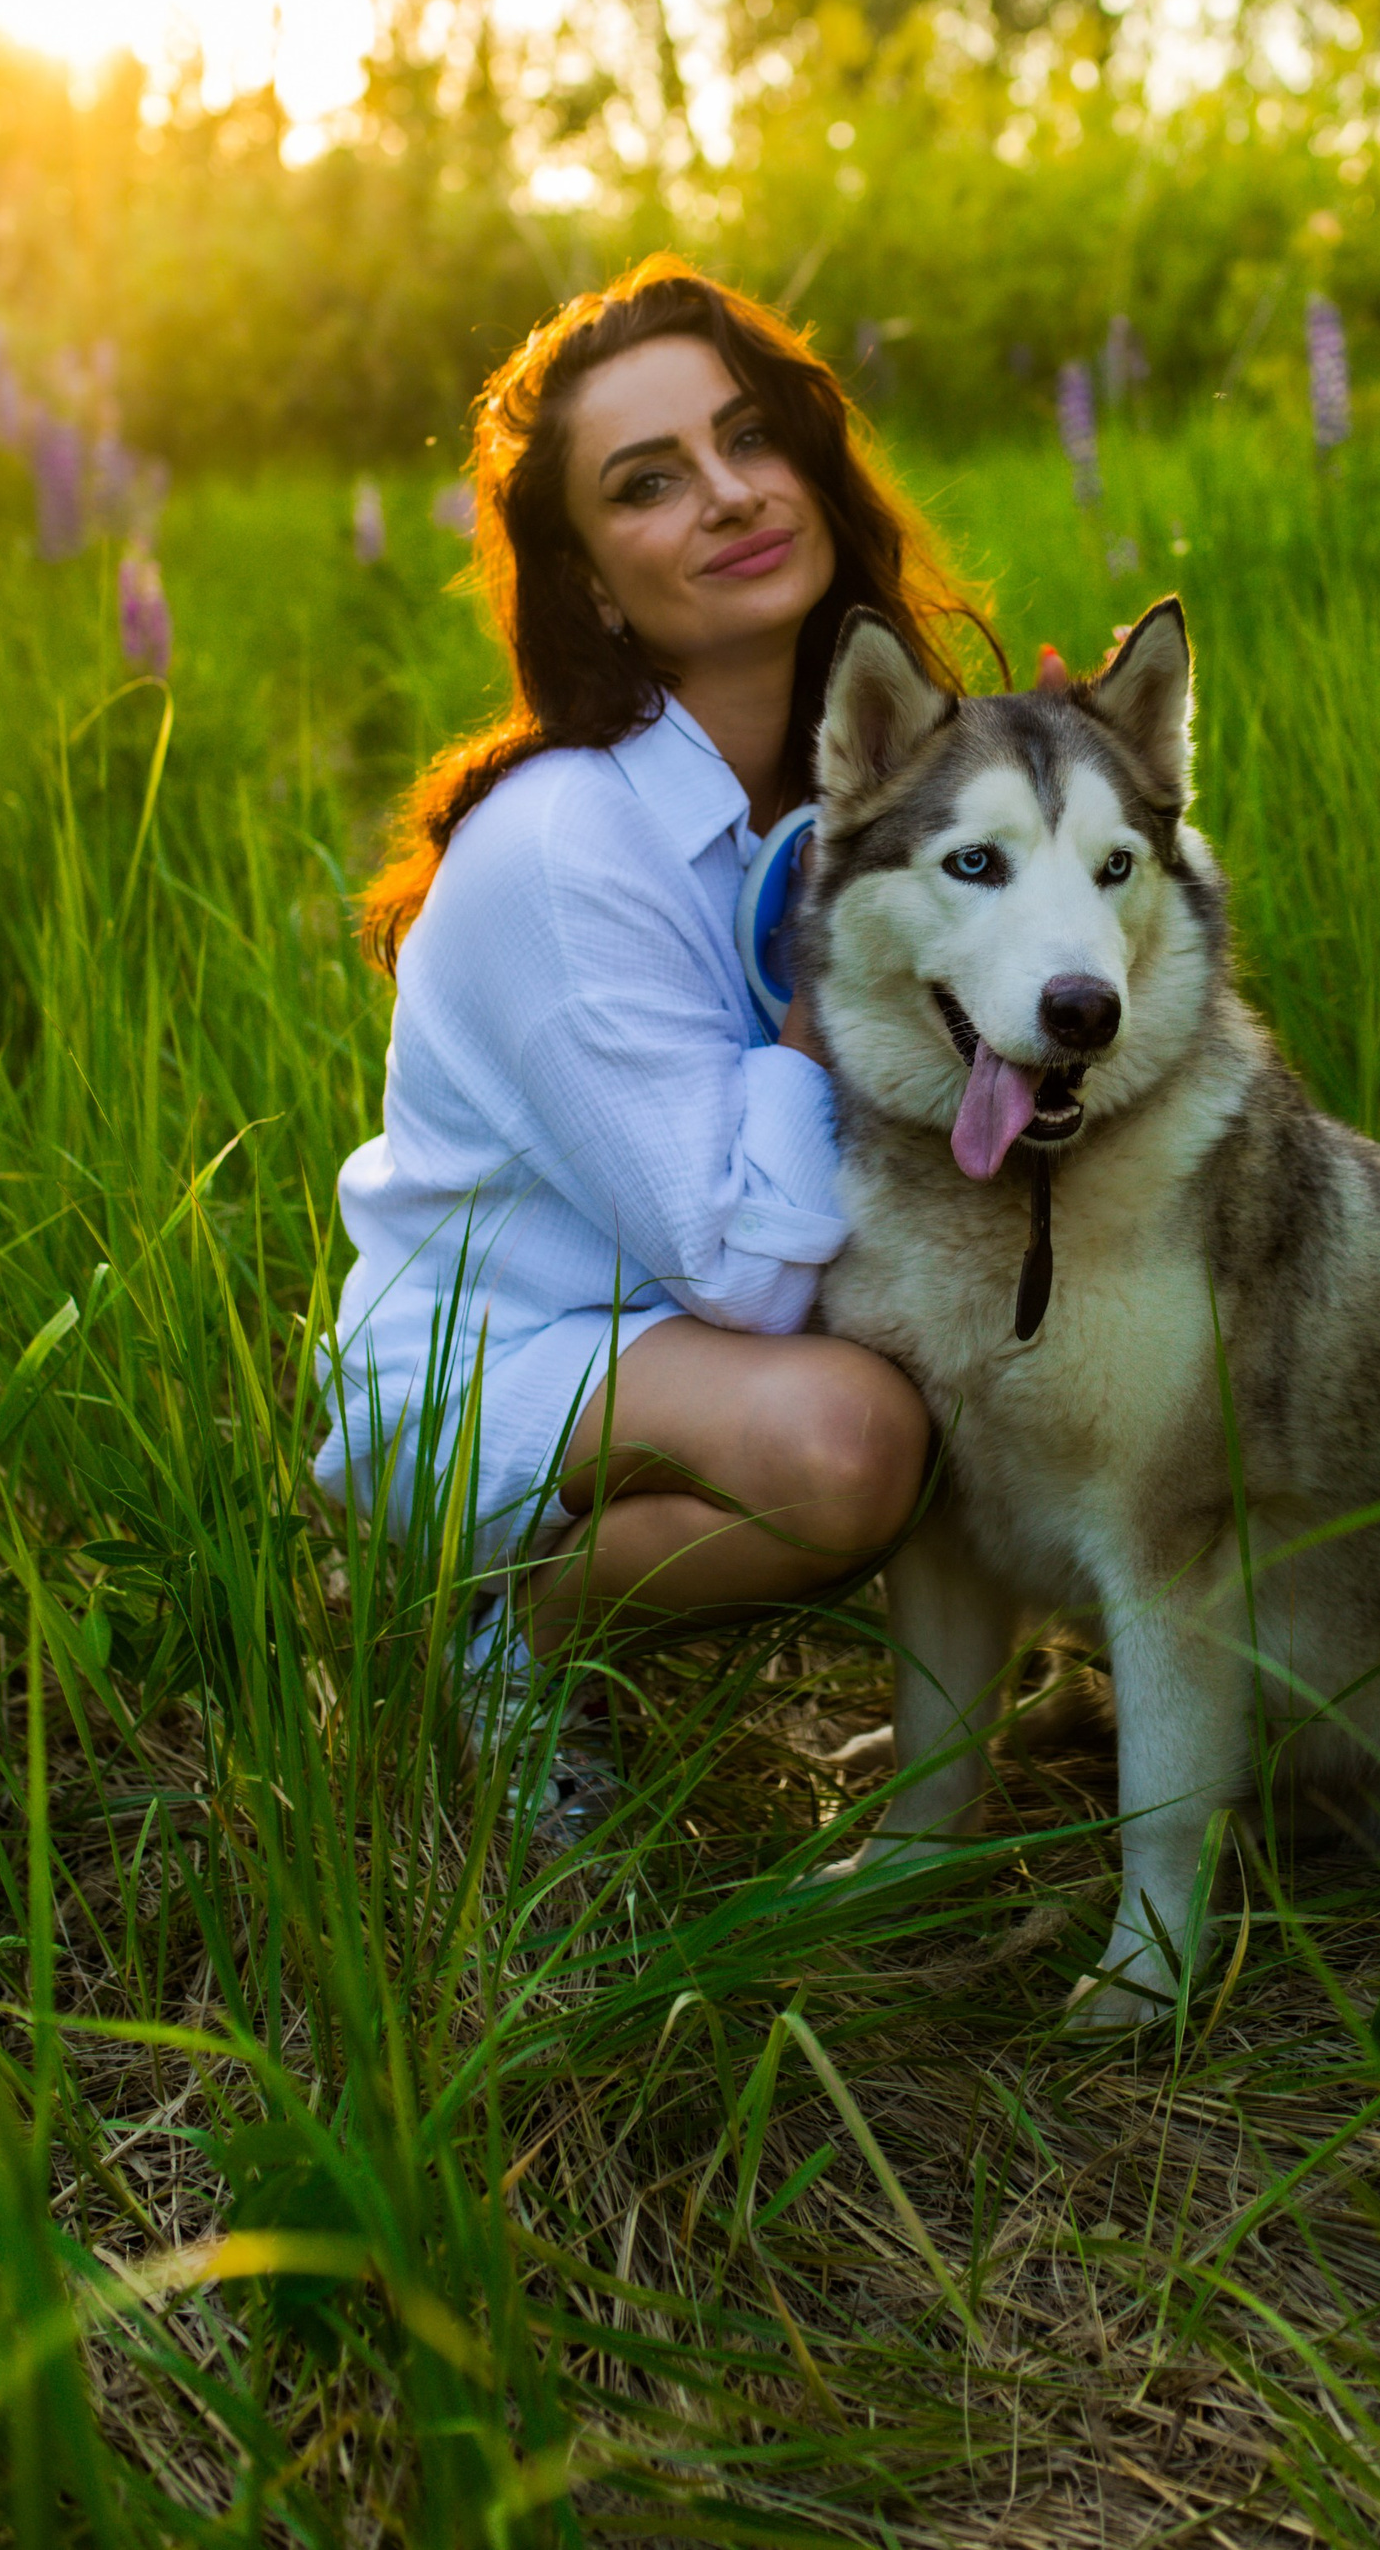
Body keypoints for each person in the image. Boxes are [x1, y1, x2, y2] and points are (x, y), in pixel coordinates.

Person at [319, 258, 992, 1805]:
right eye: (649, 483)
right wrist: (831, 1012)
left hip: (692, 1333)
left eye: (748, 438)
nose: (731, 494)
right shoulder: (565, 847)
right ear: (594, 586)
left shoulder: (881, 767)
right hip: (503, 1360)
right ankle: (502, 1644)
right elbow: (751, 1276)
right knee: (847, 1447)